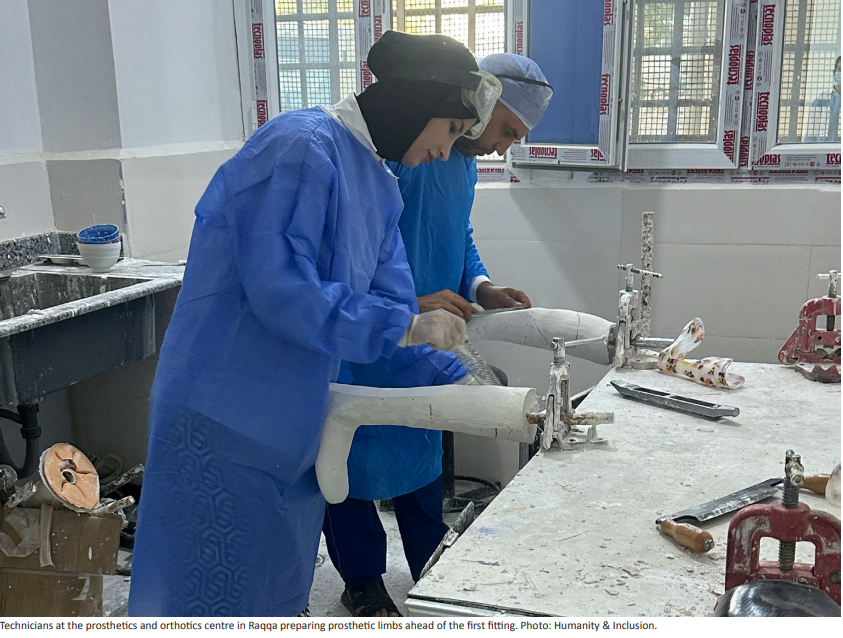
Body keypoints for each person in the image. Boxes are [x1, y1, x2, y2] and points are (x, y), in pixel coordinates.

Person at [127, 31, 502, 617]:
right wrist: (404, 327)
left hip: (291, 425)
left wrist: (465, 380)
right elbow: (282, 291)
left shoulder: (380, 187)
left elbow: (393, 310)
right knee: (206, 591)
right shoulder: (300, 147)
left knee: (275, 587)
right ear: (414, 102)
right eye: (449, 130)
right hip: (222, 415)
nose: (445, 151)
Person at [323, 53, 553, 617]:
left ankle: (434, 567)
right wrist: (410, 304)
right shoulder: (404, 147)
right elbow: (360, 244)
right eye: (505, 129)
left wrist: (480, 285)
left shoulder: (460, 161)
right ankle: (363, 581)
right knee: (350, 460)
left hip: (431, 343)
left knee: (424, 455)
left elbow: (457, 232)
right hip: (375, 335)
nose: (502, 146)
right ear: (480, 102)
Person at [804, 55, 841, 142]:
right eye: (840, 69)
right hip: (825, 152)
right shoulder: (822, 99)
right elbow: (811, 134)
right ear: (834, 72)